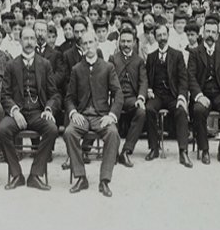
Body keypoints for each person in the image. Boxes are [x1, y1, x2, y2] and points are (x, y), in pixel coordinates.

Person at [0, 25, 59, 191]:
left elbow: (54, 94)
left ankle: (35, 174)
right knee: (2, 130)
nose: (29, 42)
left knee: (52, 129)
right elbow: (5, 96)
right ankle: (17, 174)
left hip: (38, 113)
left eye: (32, 38)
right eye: (26, 38)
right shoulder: (11, 65)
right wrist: (15, 111)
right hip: (19, 113)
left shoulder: (45, 64)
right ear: (20, 40)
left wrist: (48, 109)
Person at [63, 30, 122, 197]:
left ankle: (104, 180)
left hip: (101, 115)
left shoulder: (107, 67)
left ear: (97, 44)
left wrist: (111, 115)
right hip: (82, 115)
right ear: (81, 47)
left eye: (91, 43)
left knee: (112, 133)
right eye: (85, 44)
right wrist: (74, 112)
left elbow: (118, 94)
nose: (88, 46)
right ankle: (81, 177)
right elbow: (69, 97)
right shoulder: (76, 69)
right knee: (69, 132)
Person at [187, 15, 220, 165]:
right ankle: (204, 150)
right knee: (198, 111)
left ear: (217, 35)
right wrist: (198, 95)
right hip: (202, 93)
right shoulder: (195, 53)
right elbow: (190, 77)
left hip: (219, 94)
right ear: (203, 34)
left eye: (213, 32)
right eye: (207, 31)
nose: (210, 35)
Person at [143, 24, 192, 167]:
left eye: (164, 35)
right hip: (157, 95)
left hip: (173, 95)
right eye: (159, 35)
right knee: (149, 109)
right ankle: (154, 148)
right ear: (155, 37)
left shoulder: (177, 55)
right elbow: (146, 77)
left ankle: (183, 151)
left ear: (168, 36)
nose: (162, 38)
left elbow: (183, 79)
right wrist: (149, 89)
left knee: (181, 110)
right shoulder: (151, 57)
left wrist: (182, 97)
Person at [108, 27, 148, 168]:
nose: (126, 44)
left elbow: (143, 81)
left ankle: (126, 151)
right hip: (116, 98)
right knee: (112, 115)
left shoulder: (139, 61)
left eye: (129, 41)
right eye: (123, 41)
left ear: (134, 43)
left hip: (131, 98)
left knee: (141, 112)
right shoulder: (113, 59)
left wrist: (141, 98)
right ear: (119, 42)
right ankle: (113, 152)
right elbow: (108, 80)